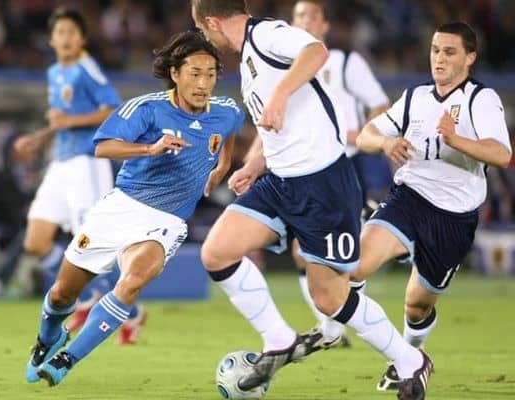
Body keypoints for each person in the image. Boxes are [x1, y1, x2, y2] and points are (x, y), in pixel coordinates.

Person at [191, 1, 432, 399]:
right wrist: (257, 164)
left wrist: (281, 94)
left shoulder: (266, 34)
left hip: (323, 185)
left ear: (213, 22)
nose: (206, 38)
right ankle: (279, 339)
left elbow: (316, 51)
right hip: (280, 182)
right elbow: (283, 128)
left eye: (203, 30)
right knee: (216, 253)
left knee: (330, 298)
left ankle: (411, 362)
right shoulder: (249, 58)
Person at [25, 30, 244, 387]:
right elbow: (103, 147)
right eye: (195, 74)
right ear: (175, 73)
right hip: (120, 209)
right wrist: (151, 149)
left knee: (134, 280)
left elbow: (230, 127)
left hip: (167, 220)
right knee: (63, 293)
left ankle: (67, 359)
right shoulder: (146, 108)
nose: (204, 83)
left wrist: (224, 162)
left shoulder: (226, 111)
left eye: (210, 75)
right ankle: (48, 338)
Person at [347, 22, 511, 391]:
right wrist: (385, 144)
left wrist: (456, 139)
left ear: (470, 57)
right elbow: (368, 133)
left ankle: (410, 352)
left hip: (453, 218)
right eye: (435, 50)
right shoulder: (416, 97)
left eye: (449, 52)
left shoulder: (480, 99)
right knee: (353, 267)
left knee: (417, 306)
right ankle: (400, 357)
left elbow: (501, 153)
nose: (439, 58)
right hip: (409, 198)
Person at [5, 7, 148, 338]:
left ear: (82, 38)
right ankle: (87, 297)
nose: (66, 38)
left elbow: (112, 109)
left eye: (72, 32)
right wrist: (39, 139)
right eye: (60, 32)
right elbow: (63, 121)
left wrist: (68, 121)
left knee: (93, 245)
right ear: (51, 40)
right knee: (36, 241)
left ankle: (127, 310)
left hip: (87, 163)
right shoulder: (56, 72)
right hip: (60, 163)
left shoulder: (86, 68)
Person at [289, 0, 391, 347]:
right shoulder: (285, 65)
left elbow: (380, 104)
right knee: (301, 250)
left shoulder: (345, 63)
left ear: (325, 26)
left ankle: (349, 322)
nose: (305, 22)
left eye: (312, 16)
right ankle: (330, 330)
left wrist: (361, 132)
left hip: (345, 166)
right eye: (299, 16)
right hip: (303, 167)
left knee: (346, 254)